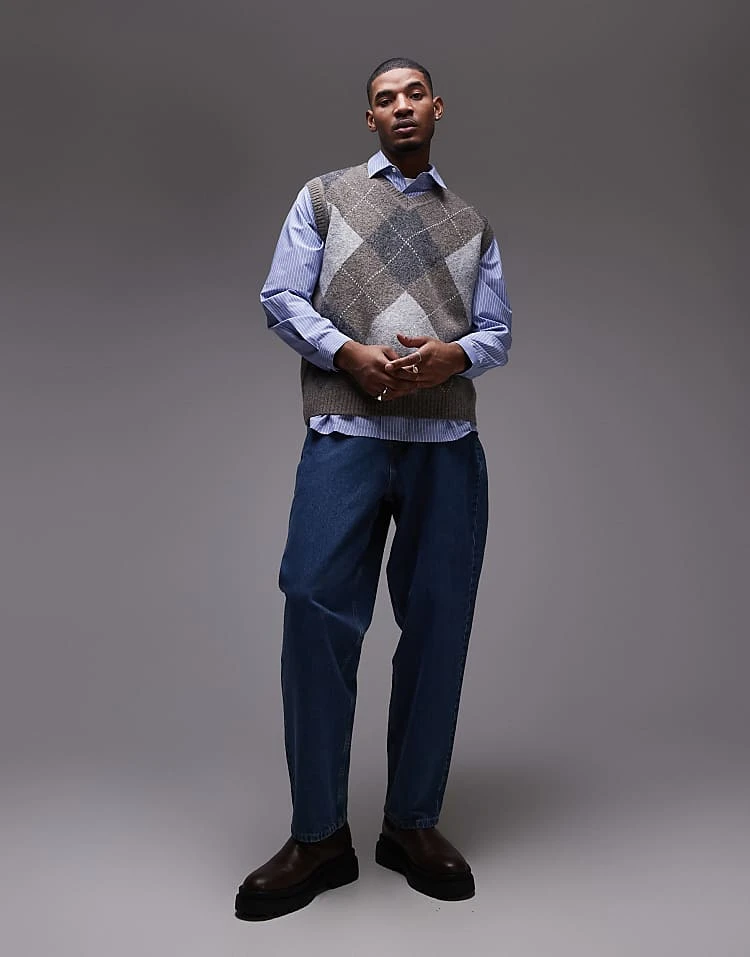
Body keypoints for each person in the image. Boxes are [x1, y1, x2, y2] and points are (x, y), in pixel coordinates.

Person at [235, 57, 512, 921]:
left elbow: (497, 331)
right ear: (369, 119)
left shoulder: (471, 221)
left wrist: (452, 356)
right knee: (314, 606)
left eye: (412, 94)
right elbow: (281, 296)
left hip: (445, 444)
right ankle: (319, 835)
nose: (400, 107)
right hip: (345, 435)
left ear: (437, 107)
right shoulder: (325, 198)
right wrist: (348, 354)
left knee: (438, 629)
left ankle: (411, 823)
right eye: (384, 98)